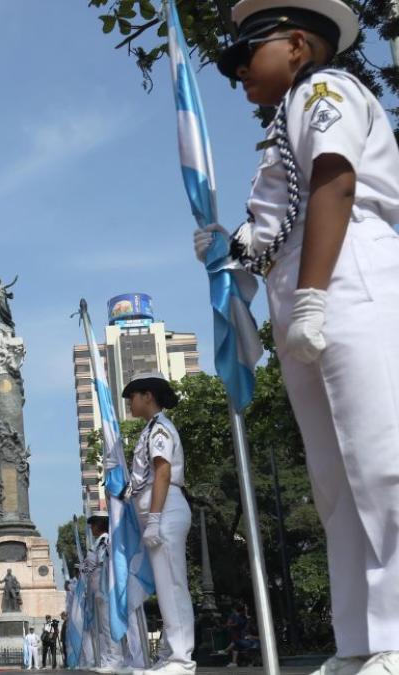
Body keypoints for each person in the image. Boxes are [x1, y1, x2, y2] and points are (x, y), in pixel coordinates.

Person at [191, 0, 399, 673]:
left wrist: (311, 295)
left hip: (348, 271)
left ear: (299, 45)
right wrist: (229, 247)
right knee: (335, 482)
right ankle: (362, 640)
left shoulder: (327, 89)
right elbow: (274, 231)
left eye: (247, 52)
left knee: (381, 462)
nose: (237, 70)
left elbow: (335, 182)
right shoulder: (284, 123)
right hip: (304, 287)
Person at [121, 372, 194, 675]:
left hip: (164, 510)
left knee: (173, 587)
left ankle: (181, 659)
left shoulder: (160, 428)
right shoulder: (150, 429)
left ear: (147, 395)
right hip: (157, 511)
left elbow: (162, 472)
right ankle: (169, 656)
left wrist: (154, 519)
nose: (129, 403)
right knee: (165, 589)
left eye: (132, 397)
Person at [84, 514, 121, 674]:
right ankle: (108, 659)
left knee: (108, 626)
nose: (91, 529)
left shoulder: (105, 540)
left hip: (104, 587)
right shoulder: (98, 542)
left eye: (93, 525)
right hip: (98, 589)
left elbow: (102, 563)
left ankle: (115, 659)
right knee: (102, 628)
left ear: (100, 526)